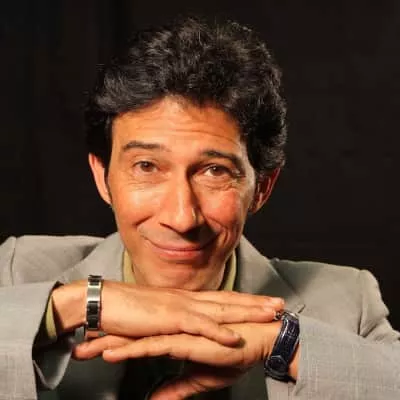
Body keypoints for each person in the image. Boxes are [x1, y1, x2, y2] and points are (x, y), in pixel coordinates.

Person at [1, 16, 399, 400]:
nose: (181, 217)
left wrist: (283, 345)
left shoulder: (348, 302)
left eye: (214, 171)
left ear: (261, 188)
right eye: (146, 166)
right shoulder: (20, 273)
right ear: (102, 177)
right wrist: (75, 305)